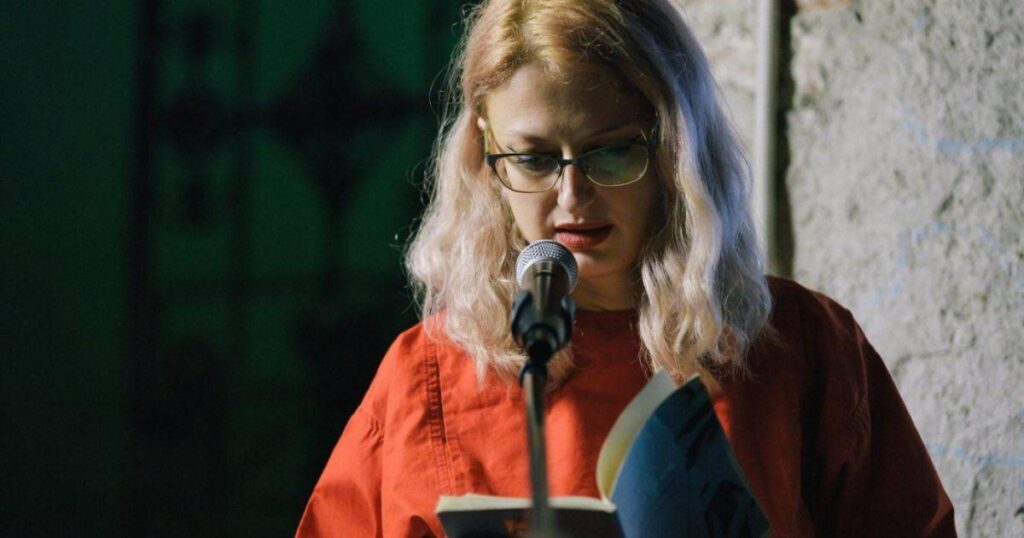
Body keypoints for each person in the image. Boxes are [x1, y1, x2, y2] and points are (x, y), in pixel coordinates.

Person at [296, 0, 956, 536]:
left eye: (610, 152)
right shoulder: (426, 377)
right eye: (534, 160)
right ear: (486, 159)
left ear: (676, 150)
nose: (571, 196)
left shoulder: (801, 344)